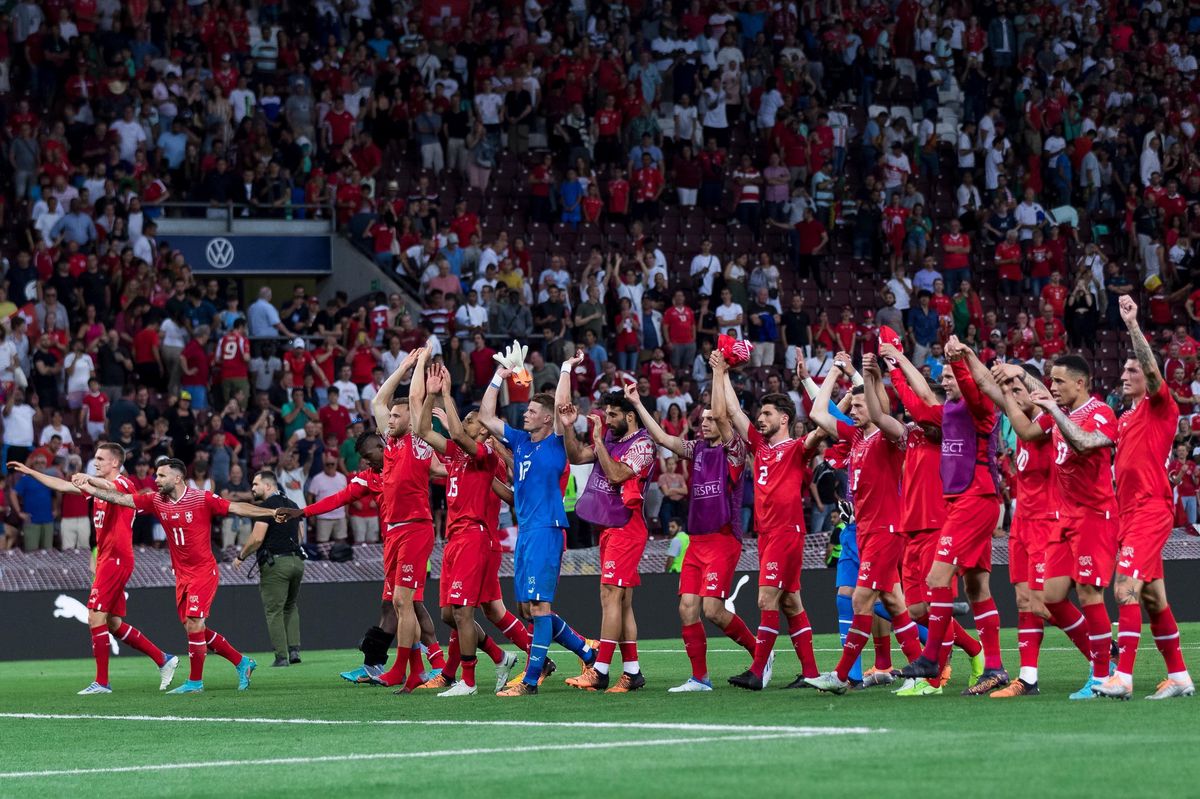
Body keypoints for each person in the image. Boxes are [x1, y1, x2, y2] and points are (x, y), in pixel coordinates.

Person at [74, 458, 276, 694]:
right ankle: (242, 662)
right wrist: (90, 489)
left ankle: (195, 682)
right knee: (194, 627)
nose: (156, 480)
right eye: (156, 476)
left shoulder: (201, 498)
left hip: (203, 571)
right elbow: (122, 499)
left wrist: (270, 512)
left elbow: (237, 507)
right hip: (181, 574)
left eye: (161, 476)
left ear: (177, 478)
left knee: (195, 622)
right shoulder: (156, 500)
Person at [9, 443, 178, 694]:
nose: (95, 462)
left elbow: (110, 487)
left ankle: (102, 682)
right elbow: (63, 486)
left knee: (94, 616)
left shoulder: (124, 483)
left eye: (100, 459)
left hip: (116, 558)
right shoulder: (96, 488)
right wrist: (31, 472)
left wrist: (87, 479)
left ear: (115, 463)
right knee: (114, 623)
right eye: (95, 458)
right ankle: (163, 659)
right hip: (107, 559)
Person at [996, 355, 1117, 699]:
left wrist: (1051, 407)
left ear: (1080, 383)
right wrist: (1017, 378)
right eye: (1050, 381)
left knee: (1090, 594)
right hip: (1066, 518)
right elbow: (1031, 421)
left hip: (1094, 515)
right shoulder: (1058, 413)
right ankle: (1106, 654)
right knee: (1049, 598)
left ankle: (1100, 677)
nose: (1053, 387)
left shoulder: (1100, 412)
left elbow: (1083, 442)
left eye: (1059, 382)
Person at [479, 347, 597, 696]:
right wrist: (499, 375)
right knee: (527, 609)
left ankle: (530, 680)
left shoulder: (557, 442)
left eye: (531, 411)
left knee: (540, 606)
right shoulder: (520, 441)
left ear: (547, 419)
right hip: (527, 532)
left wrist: (565, 368)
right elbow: (486, 416)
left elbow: (562, 405)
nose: (525, 414)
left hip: (547, 529)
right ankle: (586, 651)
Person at [1091, 298, 1193, 699]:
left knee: (1124, 588)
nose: (1126, 374)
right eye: (1124, 370)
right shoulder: (1124, 418)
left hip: (1152, 508)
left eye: (1132, 369)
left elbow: (1151, 369)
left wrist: (1132, 324)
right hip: (1128, 513)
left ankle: (1124, 677)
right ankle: (1180, 677)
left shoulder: (1160, 405)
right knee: (1152, 598)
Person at [894, 336, 1008, 695]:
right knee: (976, 587)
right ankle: (994, 667)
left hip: (976, 499)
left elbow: (973, 390)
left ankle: (931, 658)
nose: (945, 381)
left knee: (937, 577)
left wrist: (959, 360)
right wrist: (896, 367)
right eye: (942, 376)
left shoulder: (981, 408)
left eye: (950, 376)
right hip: (963, 503)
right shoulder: (949, 413)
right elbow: (917, 402)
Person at [806, 353, 925, 694]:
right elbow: (817, 413)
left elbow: (882, 413)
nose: (854, 410)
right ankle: (925, 670)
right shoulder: (856, 438)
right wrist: (833, 373)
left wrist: (870, 377)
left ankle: (842, 675)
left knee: (860, 601)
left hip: (885, 531)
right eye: (854, 406)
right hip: (866, 531)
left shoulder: (887, 439)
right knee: (894, 603)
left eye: (860, 406)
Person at [628, 381, 758, 691]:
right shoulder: (696, 449)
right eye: (702, 419)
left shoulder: (735, 451)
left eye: (711, 419)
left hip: (723, 539)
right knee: (687, 608)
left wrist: (718, 372)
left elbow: (725, 417)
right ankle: (700, 678)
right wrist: (637, 403)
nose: (705, 423)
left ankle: (760, 655)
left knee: (713, 610)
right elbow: (662, 438)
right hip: (697, 541)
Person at [409, 351, 521, 696]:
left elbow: (457, 433)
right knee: (448, 614)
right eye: (469, 420)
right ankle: (500, 656)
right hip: (454, 539)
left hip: (474, 536)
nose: (467, 424)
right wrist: (430, 395)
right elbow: (422, 430)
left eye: (473, 421)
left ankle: (468, 681)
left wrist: (446, 394)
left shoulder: (484, 456)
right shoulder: (456, 456)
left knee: (463, 610)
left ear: (483, 431)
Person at [711, 351, 819, 691]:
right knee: (790, 602)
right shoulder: (761, 448)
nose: (760, 418)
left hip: (786, 532)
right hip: (767, 534)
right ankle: (811, 673)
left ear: (784, 419)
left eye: (767, 413)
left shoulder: (798, 448)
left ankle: (757, 671)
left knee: (765, 600)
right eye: (760, 413)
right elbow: (733, 411)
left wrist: (814, 384)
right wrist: (722, 372)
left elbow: (822, 428)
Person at [560, 388, 657, 693]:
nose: (608, 420)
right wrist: (568, 427)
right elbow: (576, 456)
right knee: (623, 602)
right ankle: (632, 672)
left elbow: (616, 475)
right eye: (606, 414)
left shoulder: (643, 445)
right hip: (610, 527)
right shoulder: (613, 440)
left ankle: (600, 670)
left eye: (613, 415)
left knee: (609, 594)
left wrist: (600, 441)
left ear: (630, 416)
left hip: (627, 526)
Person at [366, 347, 450, 692]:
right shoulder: (391, 443)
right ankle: (415, 669)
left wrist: (419, 365)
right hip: (393, 531)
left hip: (416, 528)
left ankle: (401, 668)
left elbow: (415, 400)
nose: (389, 420)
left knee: (403, 601)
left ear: (410, 421)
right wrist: (401, 367)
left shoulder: (418, 440)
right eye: (390, 417)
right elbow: (377, 402)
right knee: (403, 603)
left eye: (396, 416)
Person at [233, 470, 304, 668]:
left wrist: (241, 556)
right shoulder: (293, 504)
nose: (252, 488)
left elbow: (257, 538)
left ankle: (281, 657)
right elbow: (301, 535)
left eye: (256, 484)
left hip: (276, 564)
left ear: (268, 486)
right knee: (291, 605)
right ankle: (294, 651)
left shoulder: (266, 507)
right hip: (297, 561)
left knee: (274, 611)